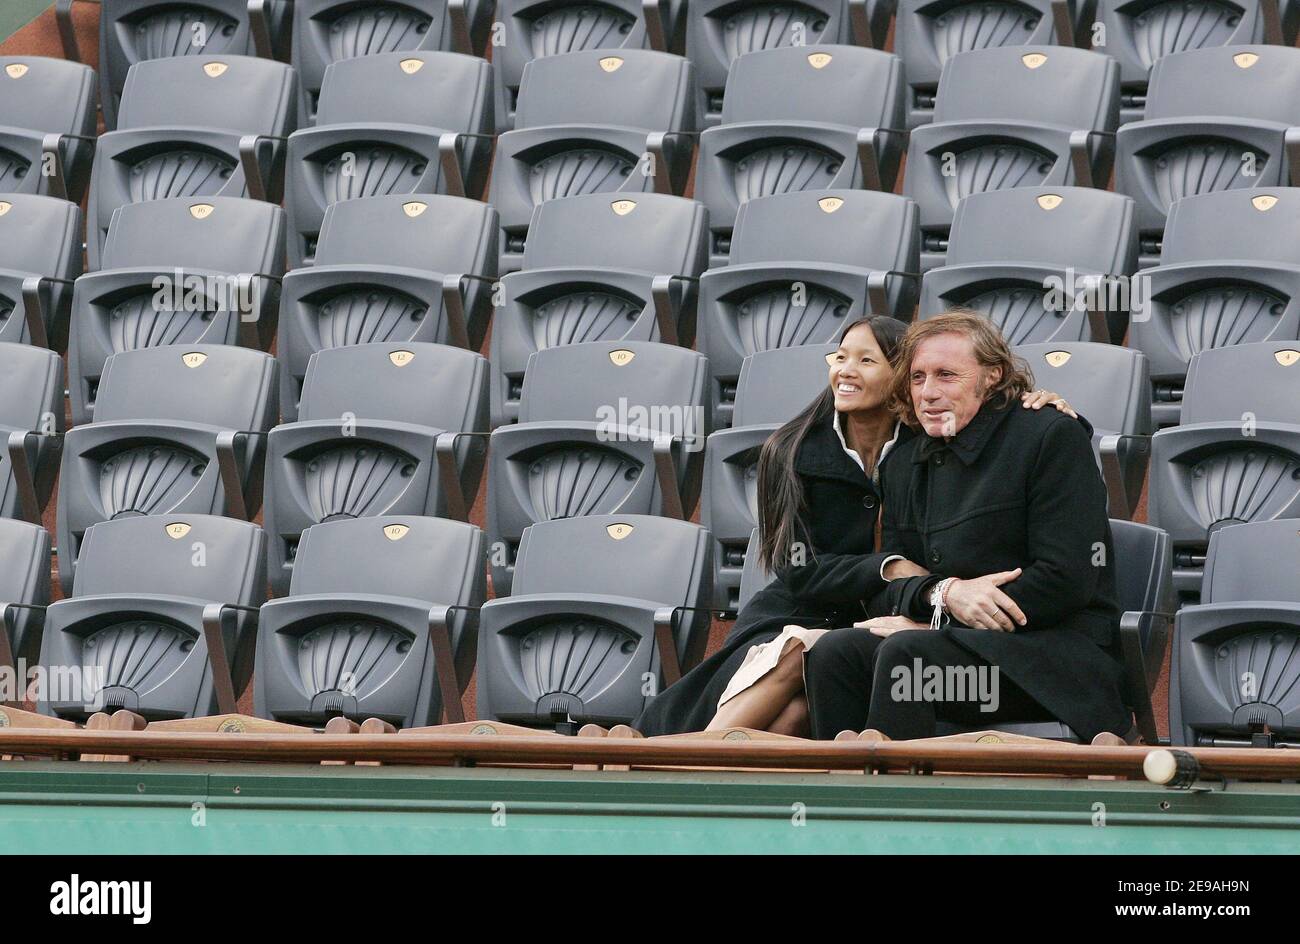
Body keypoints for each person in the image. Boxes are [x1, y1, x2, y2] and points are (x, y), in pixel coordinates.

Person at [631, 315, 1078, 737]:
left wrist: (1043, 402)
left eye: (867, 360)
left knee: (804, 702)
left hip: (890, 620)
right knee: (800, 649)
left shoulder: (929, 439)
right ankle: (685, 752)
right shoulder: (791, 450)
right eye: (841, 357)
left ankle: (683, 761)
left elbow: (999, 420)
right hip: (802, 610)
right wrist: (894, 569)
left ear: (897, 376)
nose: (847, 370)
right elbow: (799, 569)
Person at [802, 311, 1131, 743]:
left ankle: (902, 797)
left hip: (1048, 661)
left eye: (946, 376)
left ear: (992, 376)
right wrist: (945, 595)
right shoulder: (905, 460)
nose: (928, 393)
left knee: (908, 657)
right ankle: (840, 798)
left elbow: (1066, 579)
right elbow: (888, 581)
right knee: (835, 652)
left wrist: (944, 625)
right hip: (949, 652)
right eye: (917, 378)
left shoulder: (1049, 436)